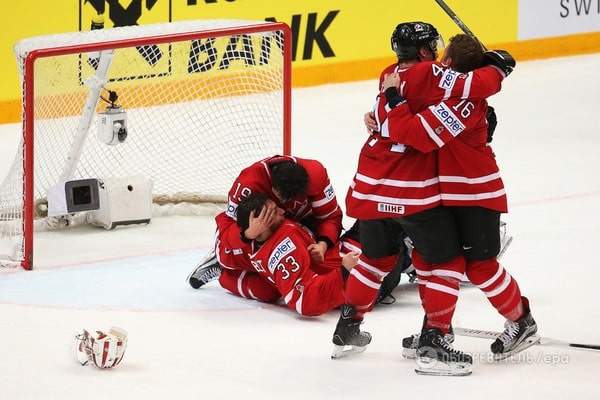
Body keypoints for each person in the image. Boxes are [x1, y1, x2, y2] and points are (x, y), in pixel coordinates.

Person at [331, 22, 509, 363]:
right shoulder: (432, 73)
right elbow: (476, 84)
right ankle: (435, 340)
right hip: (409, 190)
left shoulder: (388, 73)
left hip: (370, 184)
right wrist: (498, 66)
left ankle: (347, 327)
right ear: (426, 51)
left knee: (374, 260)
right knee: (446, 262)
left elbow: (390, 114)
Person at [381, 34, 537, 371]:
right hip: (446, 192)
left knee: (478, 266)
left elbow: (418, 136)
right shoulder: (457, 86)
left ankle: (521, 320)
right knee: (437, 259)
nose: (439, 61)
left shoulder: (461, 102)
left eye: (444, 58)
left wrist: (392, 99)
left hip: (476, 194)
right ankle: (435, 330)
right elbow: (445, 81)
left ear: (450, 65)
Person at [187, 155, 343, 302]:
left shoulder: (315, 174)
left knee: (272, 291)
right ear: (272, 187)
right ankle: (222, 269)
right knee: (267, 291)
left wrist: (323, 244)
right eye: (281, 201)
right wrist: (248, 234)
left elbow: (331, 216)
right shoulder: (248, 184)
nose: (284, 208)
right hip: (262, 235)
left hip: (301, 232)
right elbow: (226, 228)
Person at [227, 193, 361, 316]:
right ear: (262, 223)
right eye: (274, 211)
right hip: (359, 276)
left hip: (345, 252)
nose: (282, 211)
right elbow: (304, 302)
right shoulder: (283, 249)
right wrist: (344, 271)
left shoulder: (259, 239)